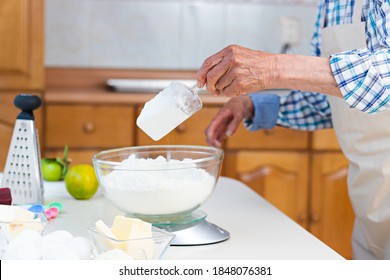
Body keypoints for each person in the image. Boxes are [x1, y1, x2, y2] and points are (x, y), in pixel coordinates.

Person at [196, 0, 390, 260]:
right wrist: (253, 105)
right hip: (371, 210)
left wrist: (275, 68)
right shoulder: (331, 5)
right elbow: (335, 99)